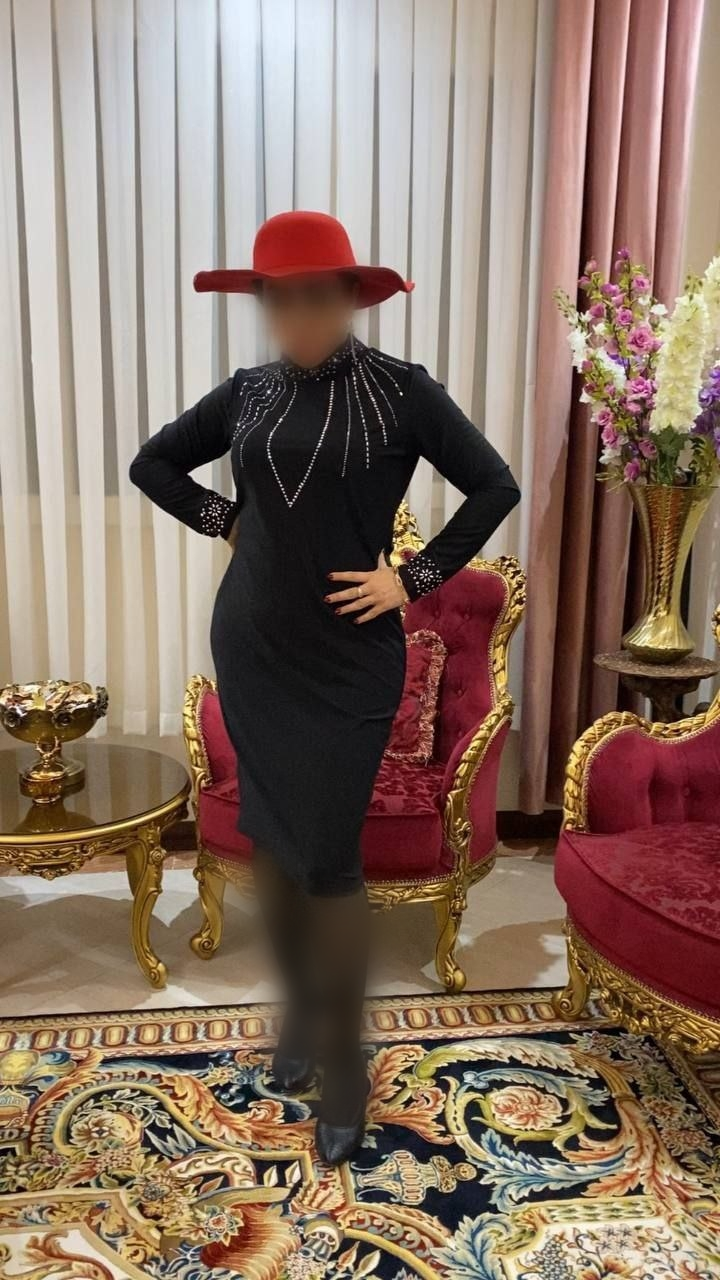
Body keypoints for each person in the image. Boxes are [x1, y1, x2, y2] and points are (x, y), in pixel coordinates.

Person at [129, 210, 520, 1165]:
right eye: (279, 298)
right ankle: (302, 1014)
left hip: (350, 662)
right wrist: (230, 521)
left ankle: (345, 1069)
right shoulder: (248, 392)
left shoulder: (402, 391)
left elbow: (494, 485)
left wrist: (411, 579)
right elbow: (152, 464)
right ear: (263, 303)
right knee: (273, 839)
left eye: (317, 295)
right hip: (254, 648)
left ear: (350, 297)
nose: (298, 315)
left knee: (331, 860)